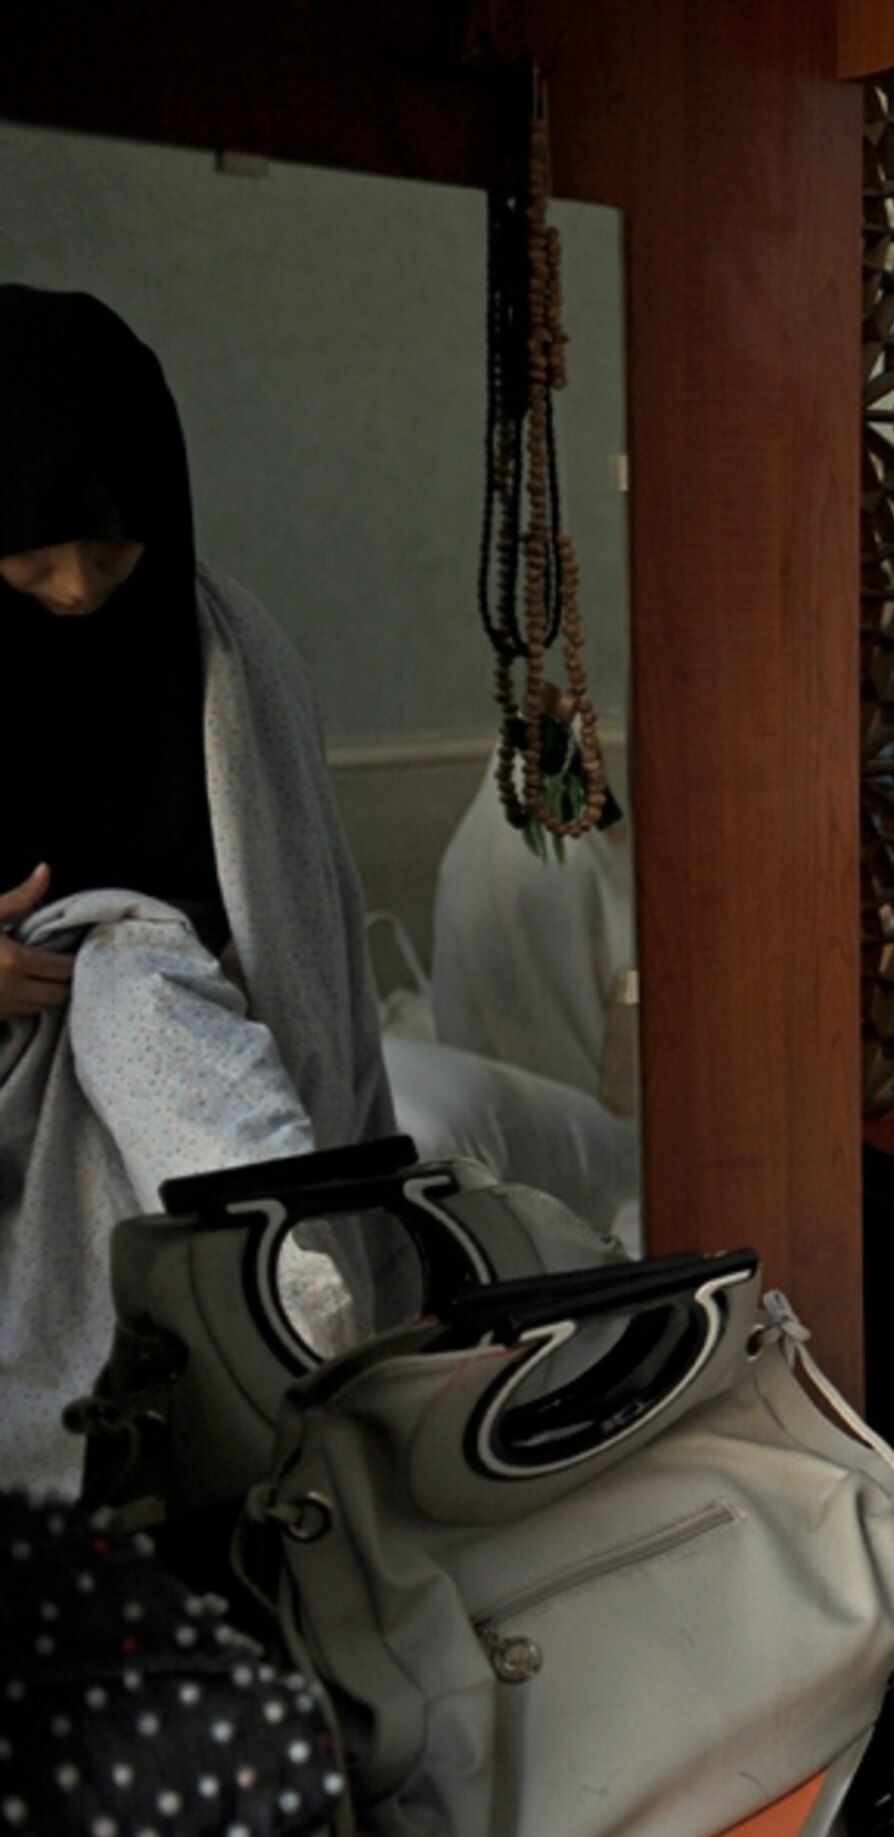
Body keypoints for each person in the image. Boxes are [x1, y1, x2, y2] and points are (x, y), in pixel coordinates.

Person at [0, 286, 392, 1493]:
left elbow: (313, 940)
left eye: (112, 555)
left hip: (201, 1056)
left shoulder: (230, 652)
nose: (76, 594)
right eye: (31, 561)